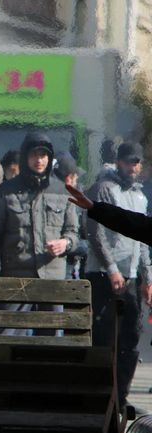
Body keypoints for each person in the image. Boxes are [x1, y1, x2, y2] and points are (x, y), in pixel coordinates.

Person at [80, 142, 149, 410]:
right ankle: (101, 396)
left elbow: (142, 238)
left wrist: (148, 277)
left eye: (136, 162)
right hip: (104, 274)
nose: (133, 167)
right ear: (118, 162)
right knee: (106, 339)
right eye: (128, 161)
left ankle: (120, 396)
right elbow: (96, 235)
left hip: (130, 275)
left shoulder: (140, 196)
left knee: (130, 339)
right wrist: (112, 269)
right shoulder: (105, 189)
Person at [0, 133, 78, 289]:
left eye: (43, 155)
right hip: (15, 281)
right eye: (34, 155)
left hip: (53, 282)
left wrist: (66, 243)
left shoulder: (63, 192)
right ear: (25, 157)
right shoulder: (5, 192)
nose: (39, 160)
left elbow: (73, 233)